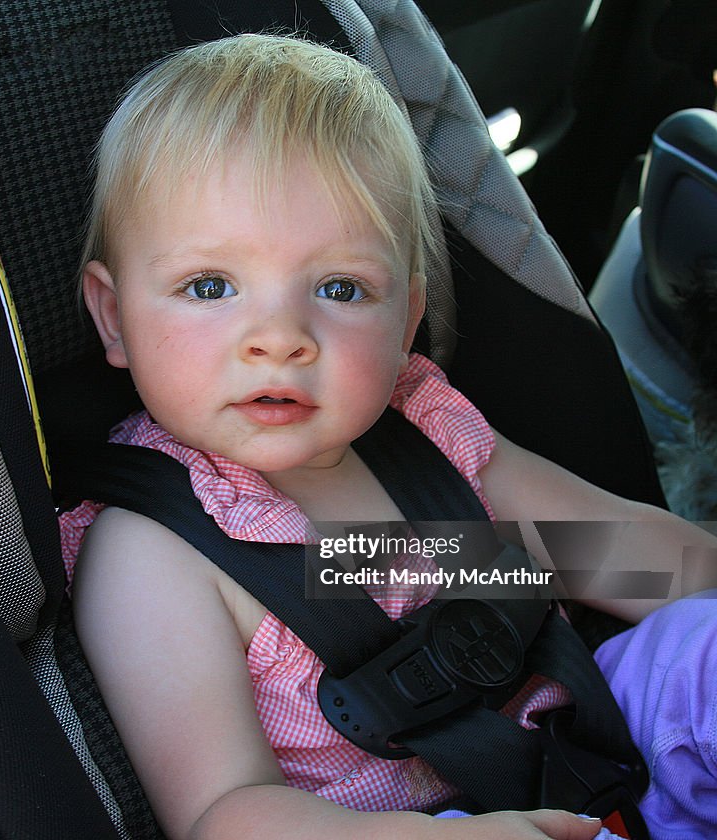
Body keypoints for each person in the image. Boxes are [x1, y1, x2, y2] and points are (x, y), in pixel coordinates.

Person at [59, 34, 717, 840]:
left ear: (407, 319)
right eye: (209, 286)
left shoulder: (425, 433)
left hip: (601, 741)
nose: (280, 336)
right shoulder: (153, 550)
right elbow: (224, 813)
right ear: (114, 315)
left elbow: (614, 552)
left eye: (340, 287)